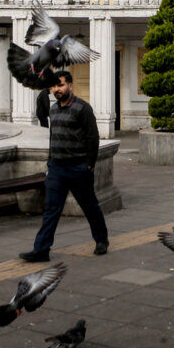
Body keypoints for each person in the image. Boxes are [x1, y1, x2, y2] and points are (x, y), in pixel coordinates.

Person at [21, 71, 109, 261]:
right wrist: (51, 161)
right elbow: (53, 136)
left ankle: (101, 240)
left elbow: (92, 138)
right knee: (51, 210)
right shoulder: (53, 109)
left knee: (90, 207)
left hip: (78, 168)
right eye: (53, 87)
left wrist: (89, 166)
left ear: (70, 85)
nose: (56, 90)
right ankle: (41, 250)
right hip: (57, 169)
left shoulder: (83, 108)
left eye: (59, 85)